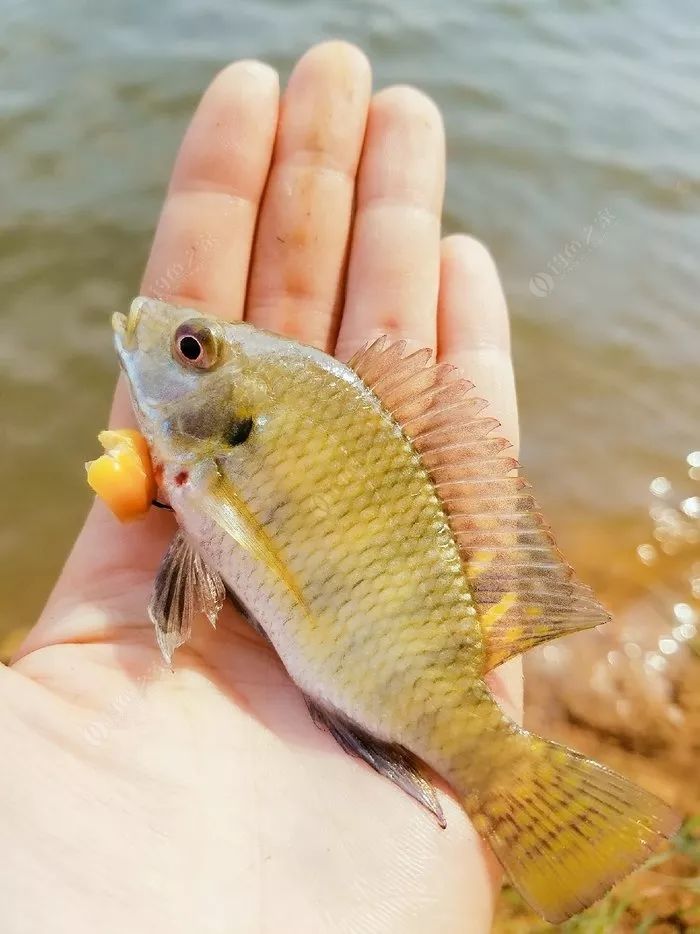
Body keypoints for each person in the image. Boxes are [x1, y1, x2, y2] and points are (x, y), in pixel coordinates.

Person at [1, 41, 522, 933]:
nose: (165, 342)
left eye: (191, 351)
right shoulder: (210, 462)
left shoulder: (214, 461)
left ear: (231, 421)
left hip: (384, 667)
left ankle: (505, 780)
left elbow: (216, 549)